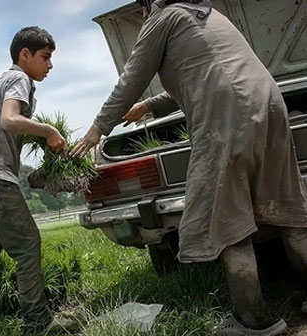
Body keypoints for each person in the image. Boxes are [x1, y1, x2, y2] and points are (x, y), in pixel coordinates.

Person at [70, 0, 307, 335]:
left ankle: (254, 322)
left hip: (227, 117)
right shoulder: (209, 16)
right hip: (269, 104)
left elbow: (132, 77)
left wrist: (97, 129)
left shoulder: (161, 18)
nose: (142, 14)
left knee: (228, 222)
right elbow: (209, 70)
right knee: (290, 211)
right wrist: (148, 107)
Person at [0, 26, 74, 334]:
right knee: (27, 244)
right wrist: (48, 130)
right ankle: (37, 322)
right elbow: (9, 120)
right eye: (45, 57)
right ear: (25, 55)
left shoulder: (6, 79)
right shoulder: (19, 78)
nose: (50, 65)